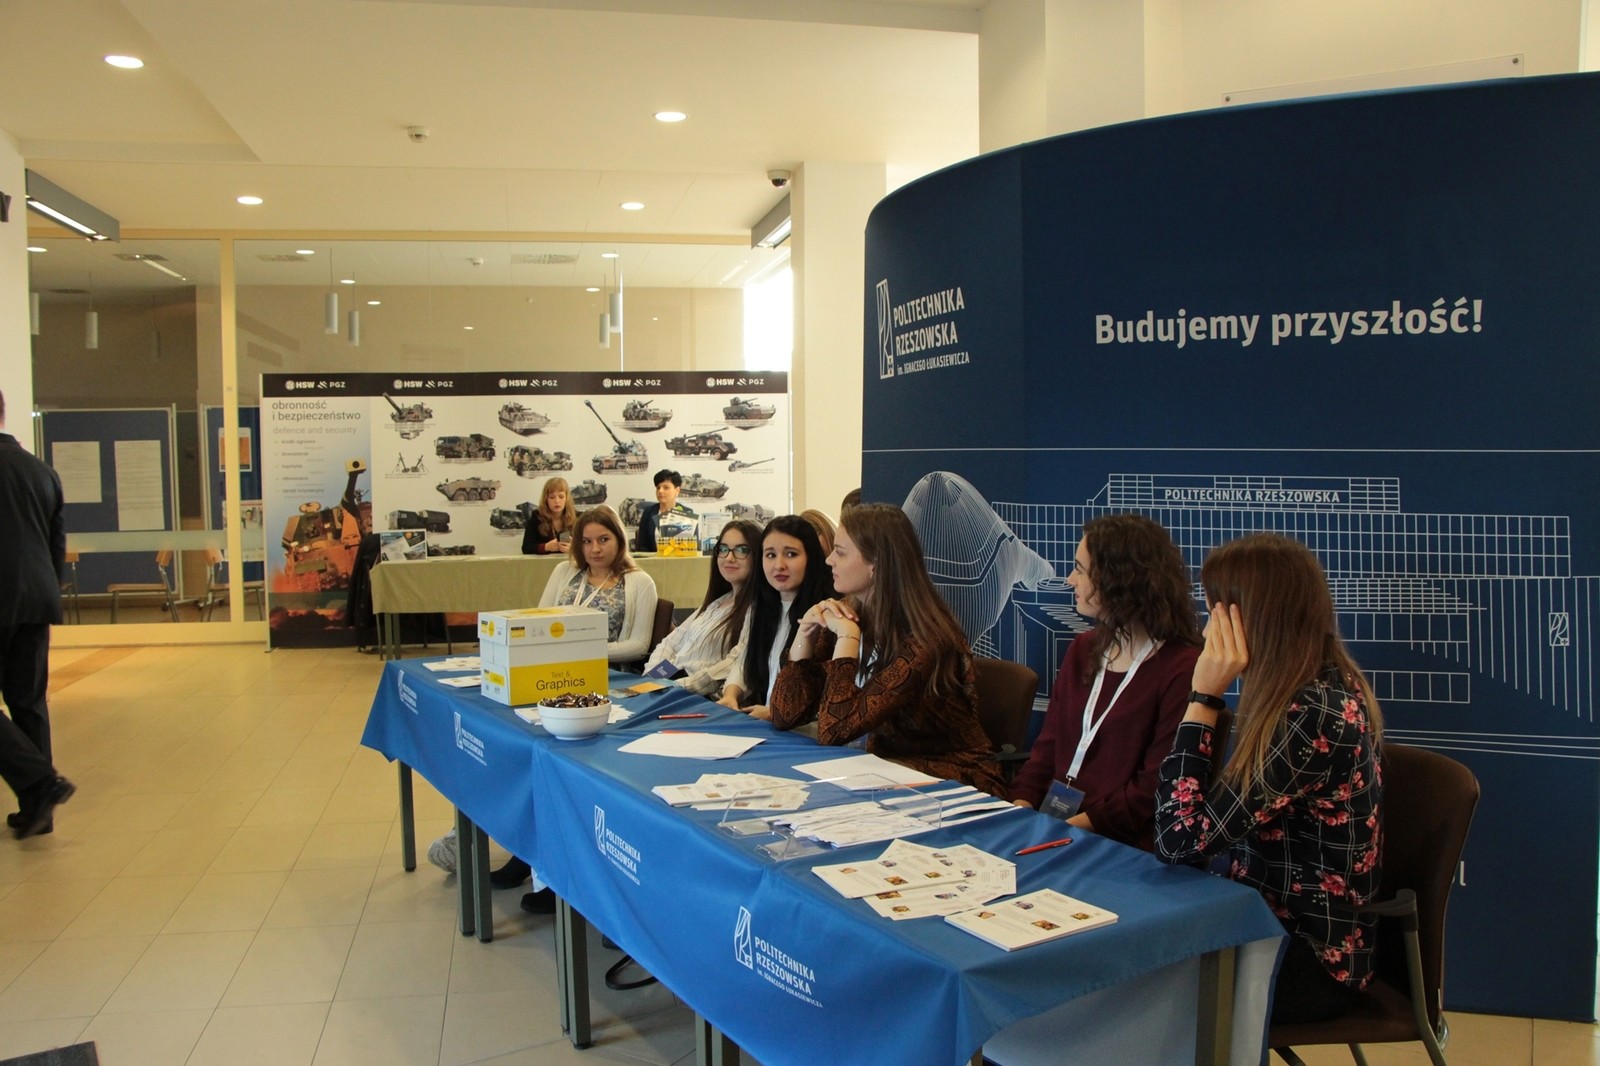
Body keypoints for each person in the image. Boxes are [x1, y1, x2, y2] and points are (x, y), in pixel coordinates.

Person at [1154, 533, 1384, 1025]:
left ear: (1247, 619)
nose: (1206, 628)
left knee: (1129, 989)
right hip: (1261, 919)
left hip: (1308, 957)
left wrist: (1202, 698)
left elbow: (1179, 839)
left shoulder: (1309, 713)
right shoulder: (1319, 684)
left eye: (1213, 613)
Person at [768, 503, 1004, 796]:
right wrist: (804, 635)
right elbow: (784, 715)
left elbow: (834, 730)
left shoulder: (925, 641)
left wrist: (847, 639)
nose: (829, 560)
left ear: (876, 563)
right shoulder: (849, 614)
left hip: (950, 777)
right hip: (882, 769)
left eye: (840, 552)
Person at [1009, 514, 1201, 851]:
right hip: (1056, 826)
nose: (1070, 580)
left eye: (1080, 570)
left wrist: (1062, 830)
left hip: (1120, 842)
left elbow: (1151, 789)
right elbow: (1047, 748)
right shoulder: (1083, 650)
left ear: (1119, 579)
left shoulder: (1181, 668)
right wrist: (1022, 807)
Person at [0, 390, 76, 839]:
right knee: (28, 702)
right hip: (36, 599)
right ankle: (38, 811)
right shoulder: (40, 470)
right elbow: (55, 544)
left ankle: (40, 781)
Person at [716, 515, 832, 718]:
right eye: (770, 555)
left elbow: (825, 696)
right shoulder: (762, 607)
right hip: (766, 721)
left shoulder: (824, 614)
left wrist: (774, 714)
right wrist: (731, 694)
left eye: (791, 554)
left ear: (811, 558)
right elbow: (746, 659)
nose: (779, 565)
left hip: (802, 729)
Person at [641, 519, 761, 696]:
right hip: (667, 685)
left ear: (758, 556)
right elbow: (671, 642)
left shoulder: (757, 609)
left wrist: (672, 686)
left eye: (741, 550)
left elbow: (733, 664)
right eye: (723, 549)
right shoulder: (717, 602)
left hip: (698, 696)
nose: (729, 557)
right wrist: (651, 677)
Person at [539, 507, 658, 665]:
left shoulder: (641, 582)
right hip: (556, 665)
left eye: (603, 540)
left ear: (619, 540)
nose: (595, 549)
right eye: (586, 541)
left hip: (608, 671)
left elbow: (639, 646)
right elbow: (540, 622)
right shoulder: (563, 570)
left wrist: (582, 652)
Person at [634, 469, 693, 553]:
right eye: (658, 488)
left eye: (666, 487)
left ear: (677, 491)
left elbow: (693, 546)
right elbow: (643, 546)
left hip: (680, 559)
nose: (660, 491)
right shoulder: (648, 512)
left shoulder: (687, 513)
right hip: (654, 560)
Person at [520, 476, 576, 555]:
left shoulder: (577, 517)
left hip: (568, 562)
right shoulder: (536, 517)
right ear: (546, 499)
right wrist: (545, 547)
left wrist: (574, 548)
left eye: (561, 497)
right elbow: (526, 548)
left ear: (567, 498)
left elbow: (588, 546)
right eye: (552, 497)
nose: (557, 501)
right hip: (544, 562)